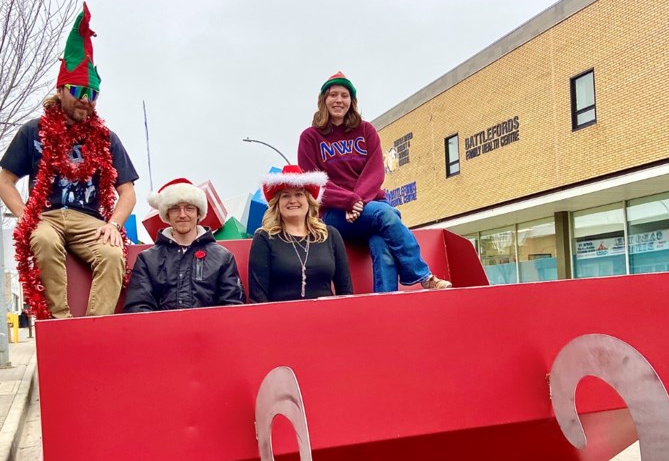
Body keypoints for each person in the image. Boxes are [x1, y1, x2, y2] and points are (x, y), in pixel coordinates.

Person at [0, 3, 138, 320]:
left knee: (114, 255)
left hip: (88, 219)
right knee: (43, 240)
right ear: (61, 90)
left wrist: (114, 224)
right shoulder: (33, 131)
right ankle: (61, 324)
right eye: (77, 90)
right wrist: (24, 214)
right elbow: (5, 181)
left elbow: (127, 191)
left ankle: (92, 331)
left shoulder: (107, 138)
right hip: (45, 215)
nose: (85, 99)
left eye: (92, 93)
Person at [298, 71, 452, 293]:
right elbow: (313, 182)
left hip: (366, 205)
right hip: (334, 214)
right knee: (388, 214)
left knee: (382, 242)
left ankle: (385, 302)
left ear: (352, 101)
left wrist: (357, 202)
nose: (339, 100)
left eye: (344, 95)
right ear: (323, 100)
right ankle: (423, 275)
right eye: (333, 95)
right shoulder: (310, 137)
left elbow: (375, 172)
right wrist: (348, 201)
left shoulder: (366, 130)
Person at [123, 178, 245, 312]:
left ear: (199, 213)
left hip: (211, 332)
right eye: (175, 209)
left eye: (189, 208)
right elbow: (138, 306)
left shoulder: (223, 257)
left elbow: (232, 305)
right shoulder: (147, 259)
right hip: (162, 332)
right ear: (167, 214)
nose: (182, 215)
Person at [248, 165, 353, 303]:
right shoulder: (264, 238)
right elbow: (258, 297)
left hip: (327, 319)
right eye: (285, 196)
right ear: (277, 203)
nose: (293, 200)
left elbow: (345, 290)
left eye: (299, 194)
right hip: (281, 320)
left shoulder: (330, 235)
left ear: (309, 200)